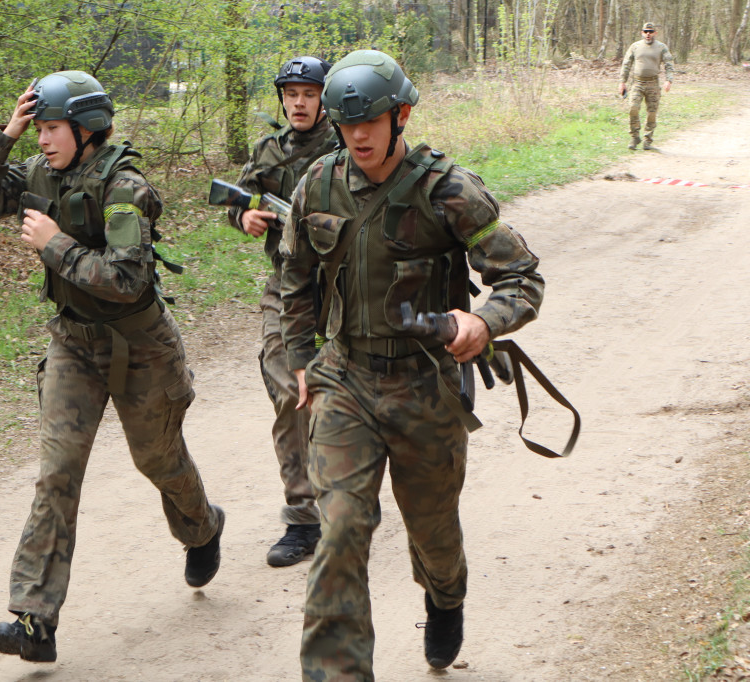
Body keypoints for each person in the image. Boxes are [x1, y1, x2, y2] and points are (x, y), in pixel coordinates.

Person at [279, 50, 544, 678]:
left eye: (371, 121)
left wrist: (485, 321)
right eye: (347, 125)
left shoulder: (447, 190)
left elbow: (520, 276)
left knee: (432, 531)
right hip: (345, 379)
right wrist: (298, 357)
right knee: (339, 530)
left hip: (426, 384)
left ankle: (445, 596)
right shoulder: (317, 183)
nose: (359, 136)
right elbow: (294, 277)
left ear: (400, 116)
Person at [0, 70, 225, 663]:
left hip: (141, 346)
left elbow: (128, 281)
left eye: (51, 129)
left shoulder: (125, 186)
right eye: (39, 129)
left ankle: (202, 526)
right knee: (57, 473)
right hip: (73, 345)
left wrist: (55, 244)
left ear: (87, 129)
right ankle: (34, 619)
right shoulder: (36, 173)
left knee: (156, 458)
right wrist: (6, 134)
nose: (42, 141)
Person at [227, 56, 336, 567]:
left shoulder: (346, 144)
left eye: (308, 94)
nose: (298, 102)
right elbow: (241, 199)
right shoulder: (269, 150)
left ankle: (349, 487)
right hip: (287, 285)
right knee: (289, 391)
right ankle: (303, 517)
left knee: (349, 393)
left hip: (344, 288)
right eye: (291, 93)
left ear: (325, 98)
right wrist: (244, 215)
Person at [619, 22, 675, 150]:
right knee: (633, 108)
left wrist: (669, 80)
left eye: (650, 31)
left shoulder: (661, 47)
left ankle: (647, 139)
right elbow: (626, 64)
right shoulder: (635, 47)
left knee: (652, 112)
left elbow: (669, 64)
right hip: (637, 83)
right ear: (642, 33)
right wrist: (622, 82)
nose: (648, 34)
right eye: (645, 31)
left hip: (653, 84)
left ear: (655, 33)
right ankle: (634, 136)